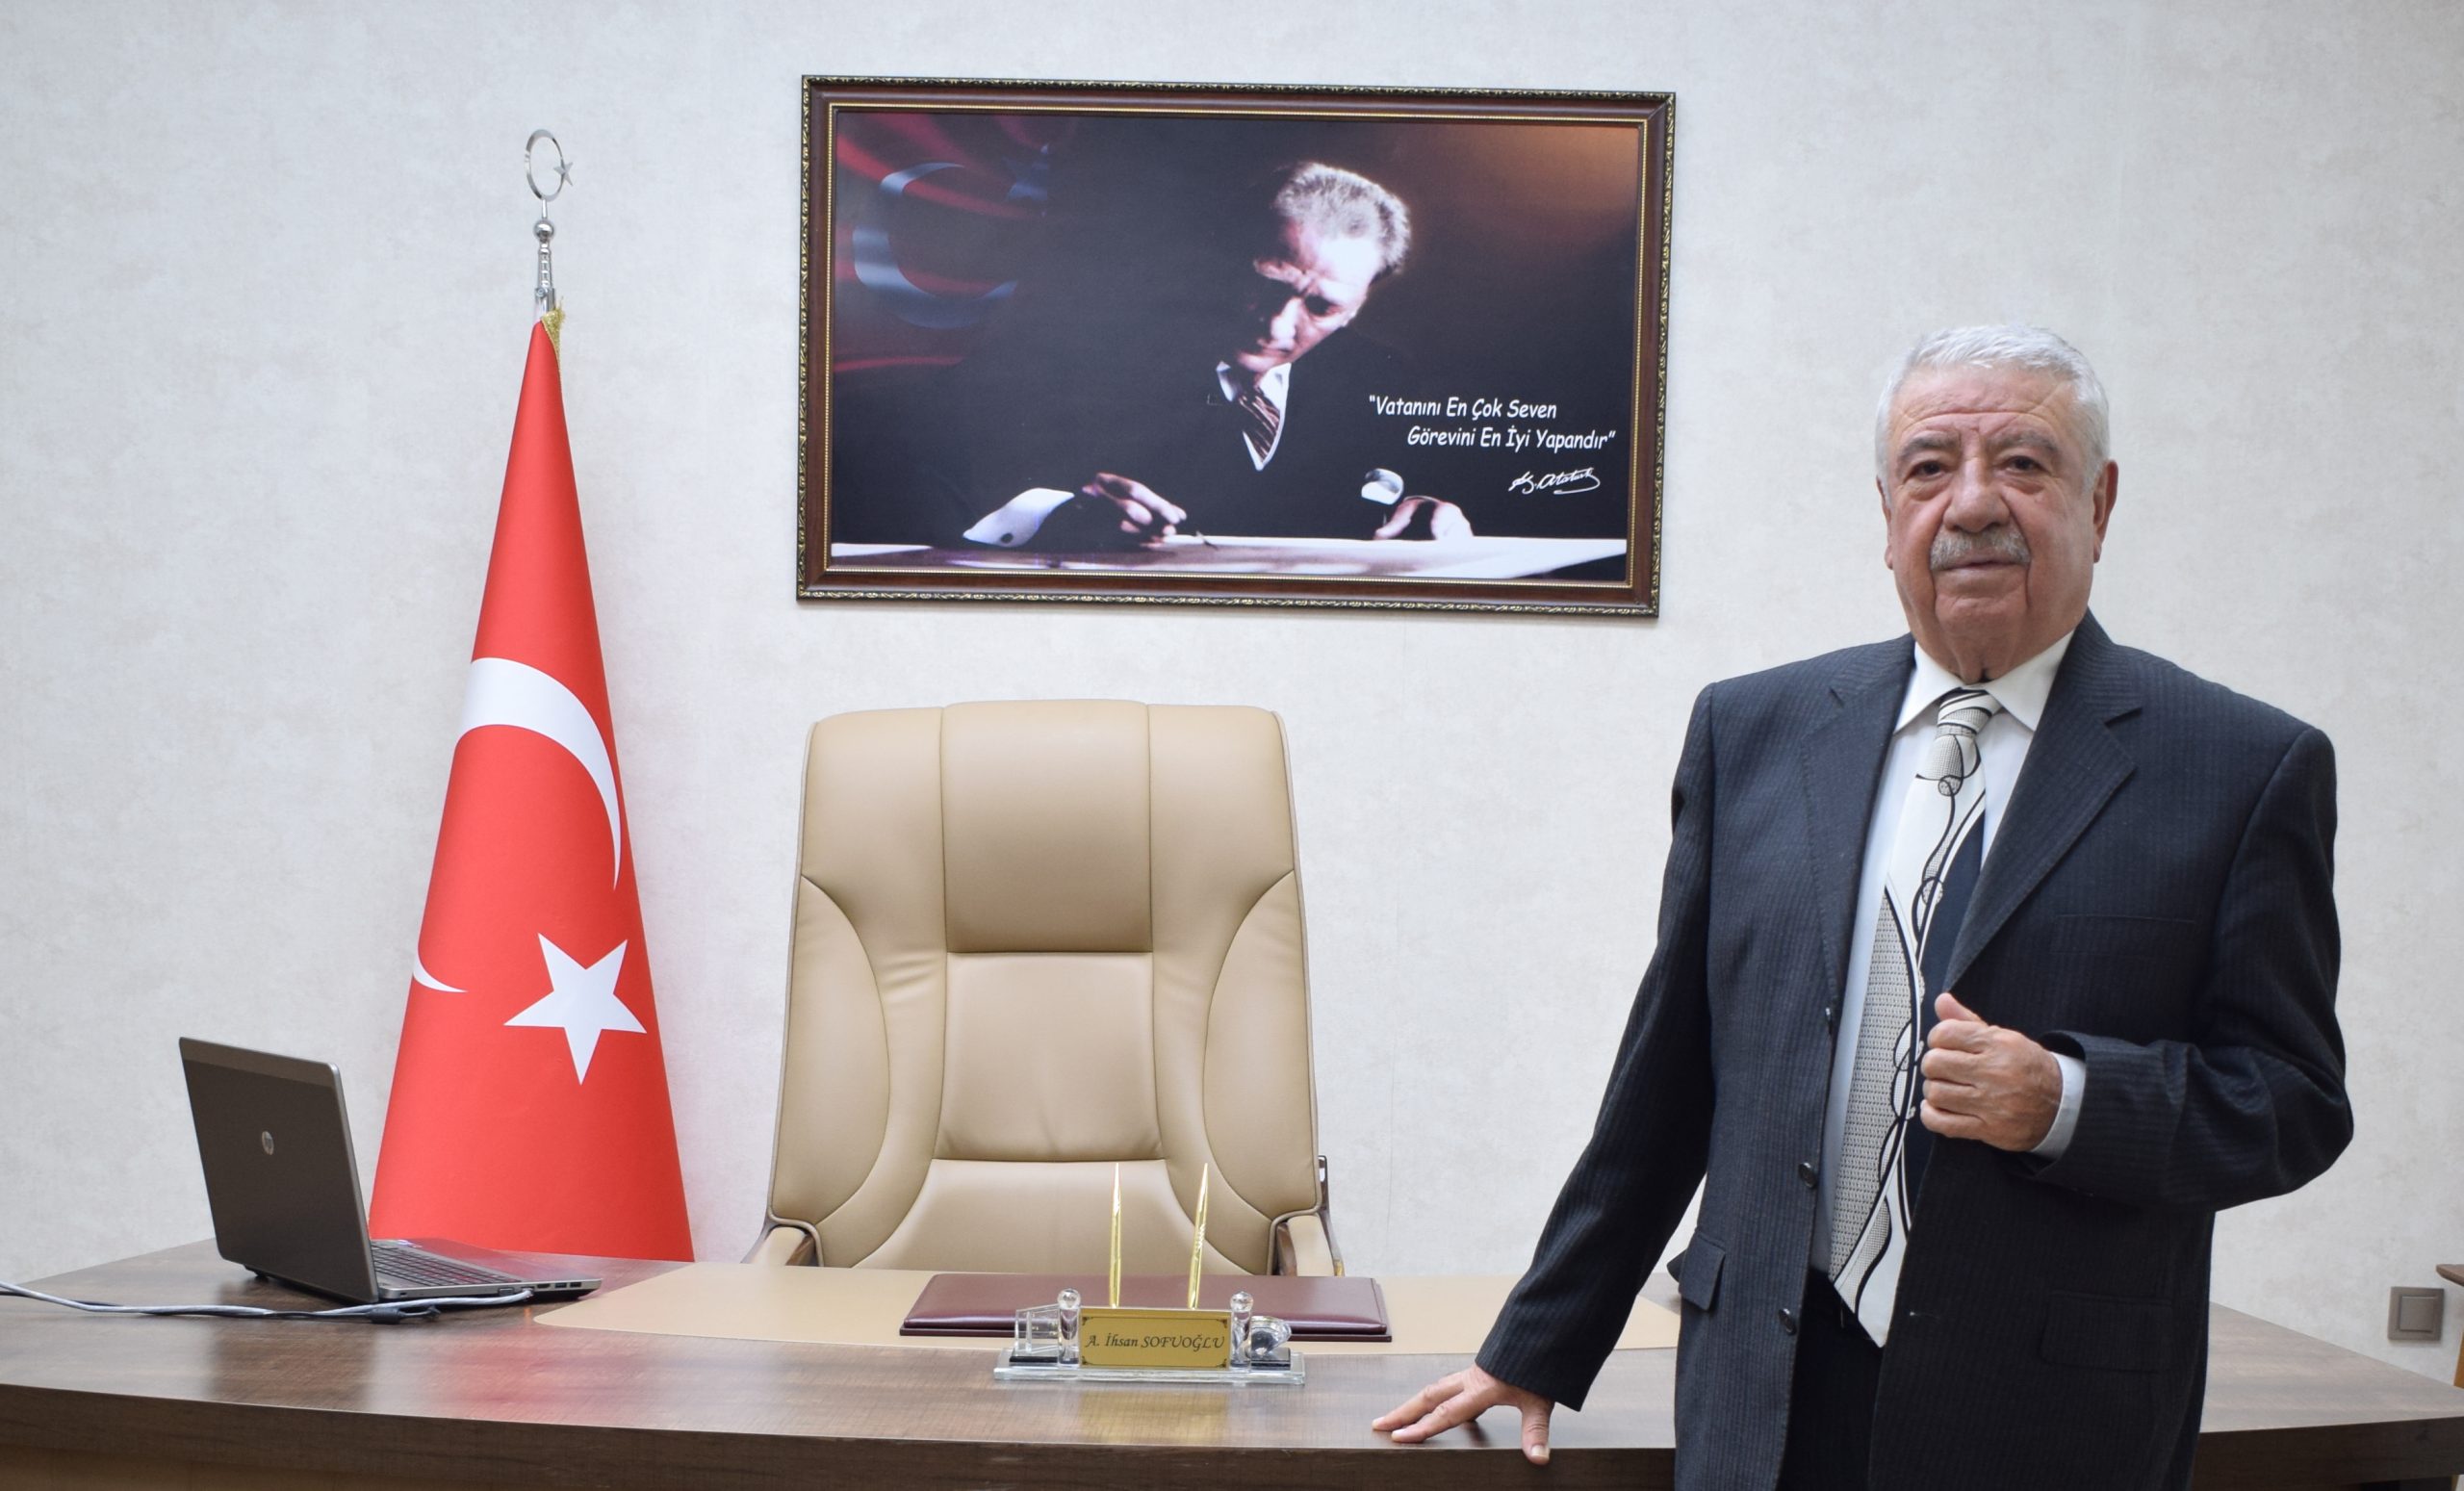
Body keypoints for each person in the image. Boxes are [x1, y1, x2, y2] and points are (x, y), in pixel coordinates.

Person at [1374, 326, 2349, 1490]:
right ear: (1887, 512)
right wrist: (1538, 1343)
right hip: (1763, 1395)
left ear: (2098, 503)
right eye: (1929, 468)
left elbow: (2292, 1101)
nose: (1972, 504)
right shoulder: (1752, 732)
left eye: (2022, 464)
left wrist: (2065, 1099)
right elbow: (1670, 1072)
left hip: (2049, 1419)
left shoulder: (2240, 767)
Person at [834, 161, 1472, 550]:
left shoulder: (1380, 379)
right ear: (1224, 261)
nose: (1279, 326)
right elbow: (912, 471)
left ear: (1360, 306)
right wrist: (1055, 516)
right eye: (1266, 284)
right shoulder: (1075, 349)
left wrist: (1425, 512)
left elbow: (1380, 504)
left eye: (1322, 308)